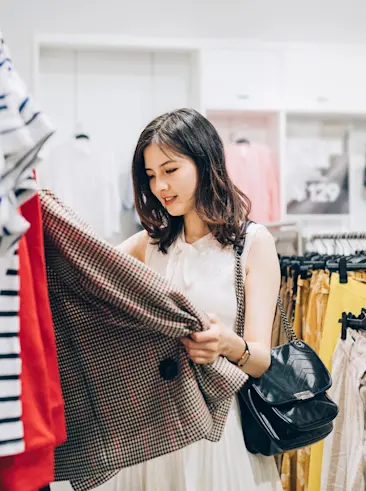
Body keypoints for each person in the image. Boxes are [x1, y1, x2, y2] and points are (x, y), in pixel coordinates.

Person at [101, 108, 282, 490]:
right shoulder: (147, 245)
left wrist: (228, 344)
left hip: (217, 429)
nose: (160, 187)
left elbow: (263, 360)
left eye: (170, 170)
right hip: (153, 429)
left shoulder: (253, 244)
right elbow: (87, 270)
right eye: (150, 176)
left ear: (204, 162)